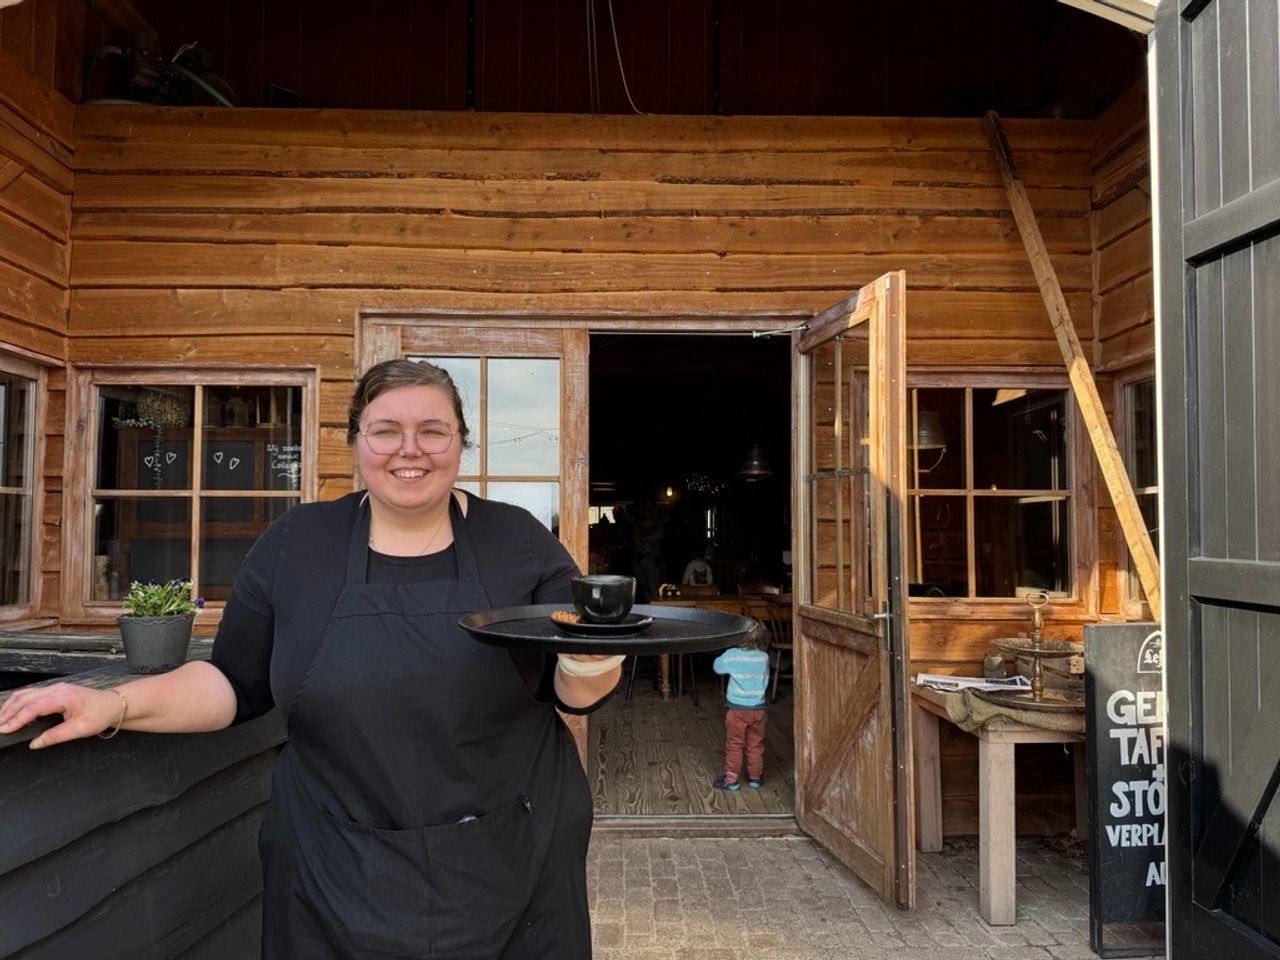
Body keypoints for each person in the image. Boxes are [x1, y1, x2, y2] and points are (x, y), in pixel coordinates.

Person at [0, 359, 623, 959]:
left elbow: (572, 686)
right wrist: (112, 702)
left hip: (511, 859)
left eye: (433, 431)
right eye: (386, 430)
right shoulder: (297, 544)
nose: (410, 449)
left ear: (461, 443)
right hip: (332, 867)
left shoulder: (518, 540)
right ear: (356, 440)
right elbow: (233, 682)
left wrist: (595, 661)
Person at [710, 627, 771, 791]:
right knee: (755, 744)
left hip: (737, 710)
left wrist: (724, 653)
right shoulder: (764, 657)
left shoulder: (732, 655)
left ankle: (731, 780)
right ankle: (755, 778)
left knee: (734, 744)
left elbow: (717, 667)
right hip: (758, 709)